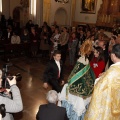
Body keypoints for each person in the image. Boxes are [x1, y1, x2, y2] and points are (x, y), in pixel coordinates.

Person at [59, 39, 95, 120]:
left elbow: (74, 73)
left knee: (67, 86)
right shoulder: (87, 61)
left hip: (78, 89)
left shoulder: (80, 61)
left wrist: (69, 80)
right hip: (87, 88)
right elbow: (90, 74)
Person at [84, 44, 120, 120]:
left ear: (113, 55)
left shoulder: (111, 72)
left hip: (110, 107)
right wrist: (104, 74)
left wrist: (99, 80)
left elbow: (99, 89)